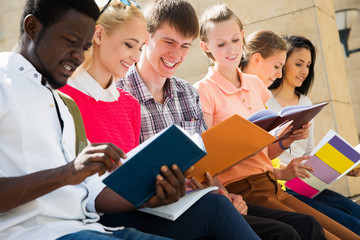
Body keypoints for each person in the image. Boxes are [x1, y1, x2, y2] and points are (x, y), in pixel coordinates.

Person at [116, 1, 327, 240]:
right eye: (168, 42)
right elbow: (124, 180)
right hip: (157, 209)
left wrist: (224, 193)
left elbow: (205, 165)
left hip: (207, 197)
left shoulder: (187, 93)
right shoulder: (120, 94)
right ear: (146, 36)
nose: (176, 55)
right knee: (284, 233)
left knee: (302, 227)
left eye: (185, 46)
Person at [60, 1, 262, 240]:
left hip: (148, 205)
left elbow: (133, 172)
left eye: (138, 46)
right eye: (129, 45)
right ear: (99, 35)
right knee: (216, 210)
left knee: (219, 207)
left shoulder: (128, 103)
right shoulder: (65, 96)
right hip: (100, 213)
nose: (135, 56)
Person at [0, 0, 190, 239]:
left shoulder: (62, 104)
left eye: (84, 46)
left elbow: (92, 192)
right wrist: (66, 173)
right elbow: (70, 174)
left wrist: (150, 197)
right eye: (70, 42)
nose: (79, 56)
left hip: (93, 229)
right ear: (32, 28)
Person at [195, 4, 360, 240]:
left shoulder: (255, 85)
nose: (230, 50)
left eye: (234, 40)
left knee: (348, 234)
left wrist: (287, 139)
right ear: (205, 47)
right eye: (220, 44)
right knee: (315, 232)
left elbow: (264, 152)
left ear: (242, 35)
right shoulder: (202, 91)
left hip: (271, 182)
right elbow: (207, 162)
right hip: (243, 189)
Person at [265, 34, 360, 235]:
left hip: (306, 184)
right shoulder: (263, 100)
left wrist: (343, 167)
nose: (304, 71)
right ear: (282, 63)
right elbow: (261, 155)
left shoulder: (306, 103)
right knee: (349, 224)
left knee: (355, 212)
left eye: (308, 65)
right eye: (299, 64)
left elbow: (309, 153)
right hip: (281, 185)